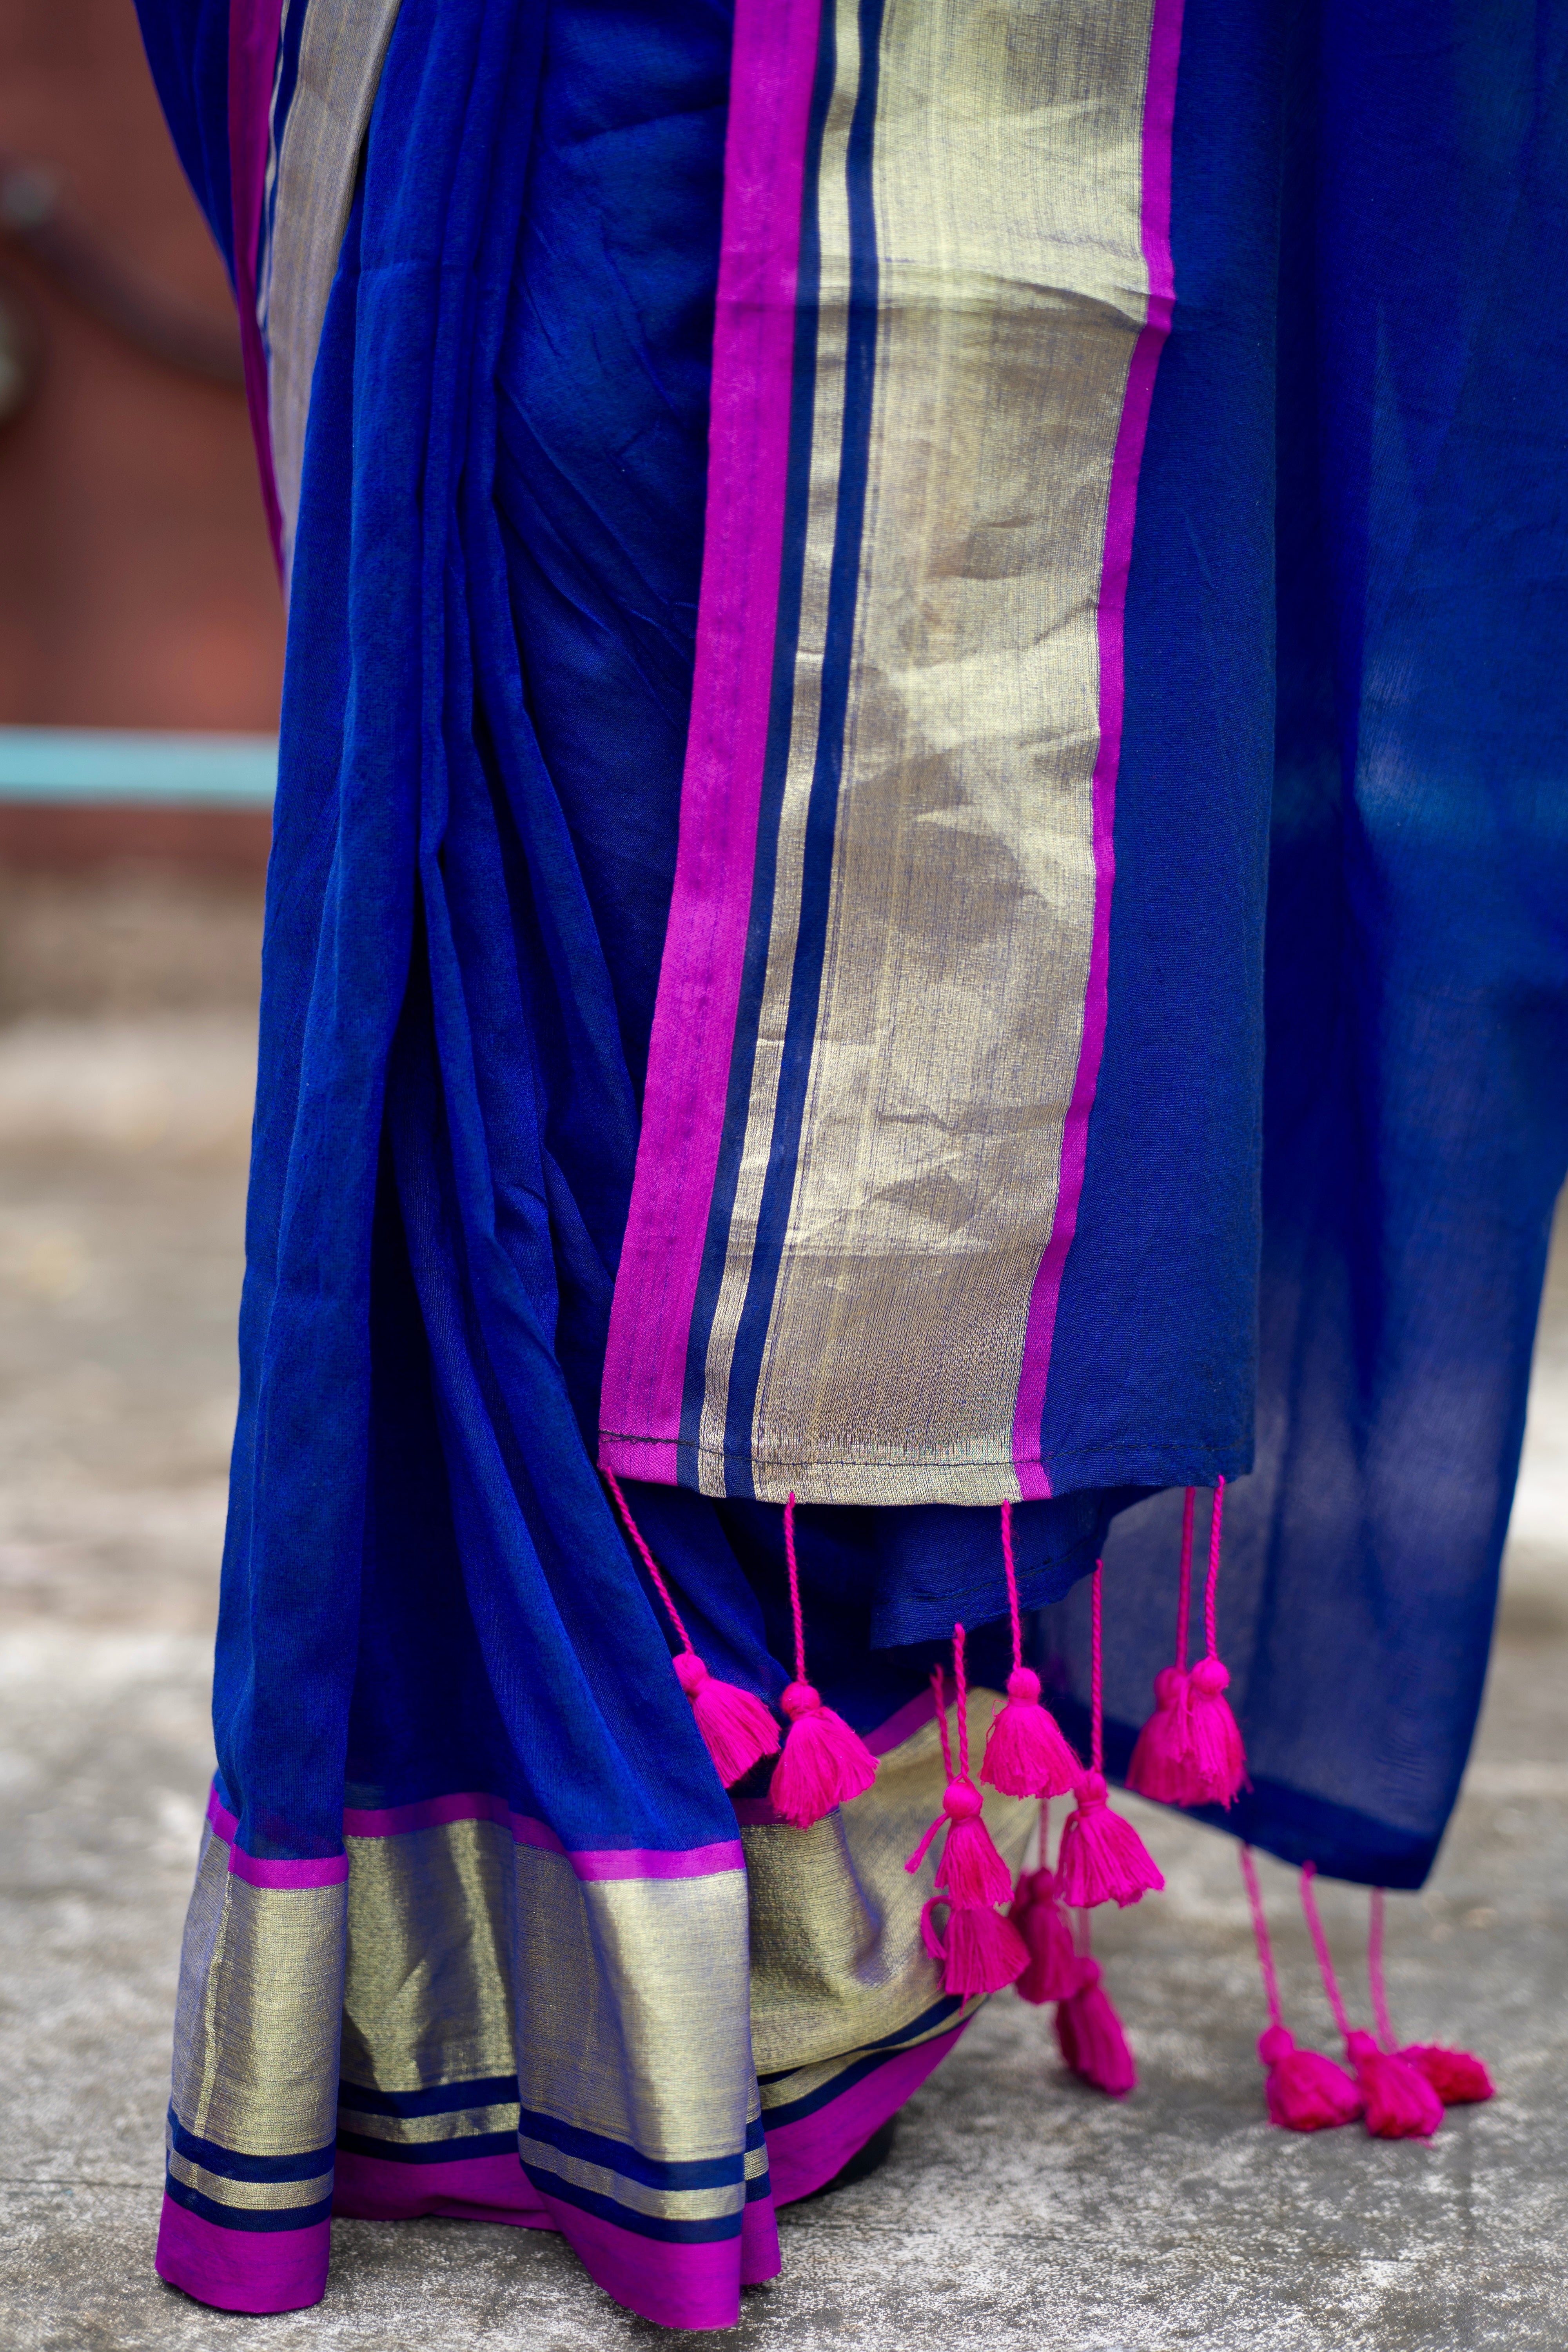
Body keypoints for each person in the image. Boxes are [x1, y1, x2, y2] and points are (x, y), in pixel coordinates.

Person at [133, 0, 1567, 2328]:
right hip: (512, 103)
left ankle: (790, 1905)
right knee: (531, 903)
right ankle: (580, 1938)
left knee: (822, 946)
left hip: (954, 116)